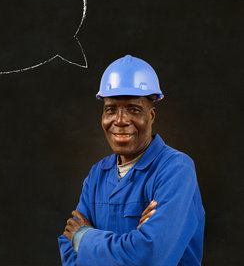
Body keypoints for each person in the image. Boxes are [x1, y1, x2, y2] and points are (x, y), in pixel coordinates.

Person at [58, 55, 205, 266]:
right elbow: (68, 253)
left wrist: (83, 238)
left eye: (133, 109)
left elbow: (150, 257)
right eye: (111, 110)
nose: (120, 121)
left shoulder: (176, 170)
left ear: (151, 116)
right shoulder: (97, 175)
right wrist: (133, 244)